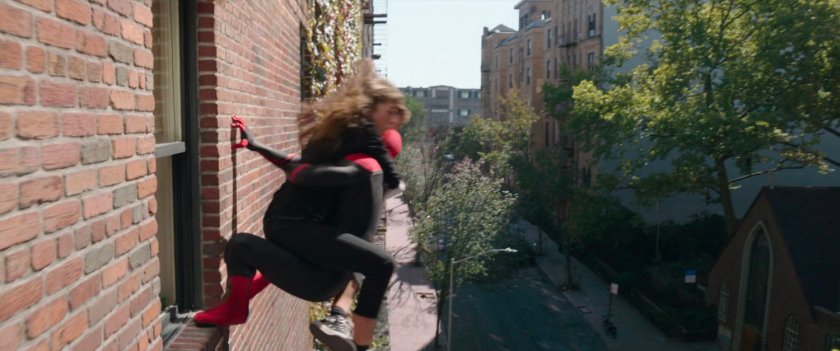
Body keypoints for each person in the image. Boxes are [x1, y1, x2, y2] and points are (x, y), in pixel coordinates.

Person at [193, 61, 409, 351]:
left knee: (246, 246)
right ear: (371, 107)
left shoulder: (355, 150)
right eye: (392, 111)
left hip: (299, 233)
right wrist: (296, 170)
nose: (395, 120)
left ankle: (341, 321)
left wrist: (274, 157)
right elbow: (305, 165)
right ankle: (348, 329)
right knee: (376, 261)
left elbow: (299, 164)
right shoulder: (363, 143)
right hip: (293, 226)